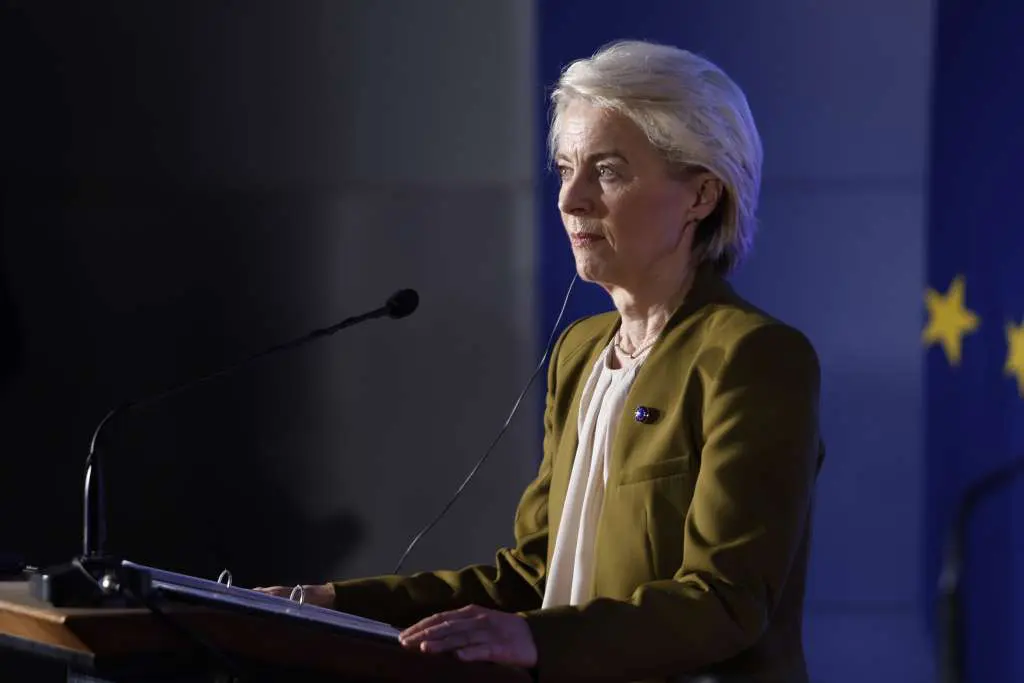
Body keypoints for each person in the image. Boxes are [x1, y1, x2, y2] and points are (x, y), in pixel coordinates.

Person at [258, 40, 824, 683]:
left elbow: (725, 602)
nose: (570, 199)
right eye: (564, 169)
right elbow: (534, 576)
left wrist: (536, 639)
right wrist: (332, 606)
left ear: (701, 194)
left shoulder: (751, 356)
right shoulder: (580, 351)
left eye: (608, 171)